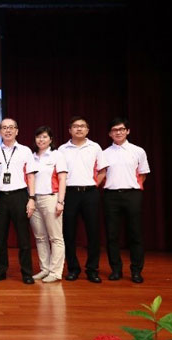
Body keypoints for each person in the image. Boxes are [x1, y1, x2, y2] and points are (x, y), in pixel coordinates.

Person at [58, 116, 109, 283]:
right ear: (70, 130)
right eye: (75, 126)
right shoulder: (62, 149)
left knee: (93, 233)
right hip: (70, 193)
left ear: (87, 130)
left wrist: (93, 185)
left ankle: (92, 269)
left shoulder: (95, 147)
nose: (79, 129)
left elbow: (102, 171)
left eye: (82, 126)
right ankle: (73, 268)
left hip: (90, 193)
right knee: (68, 233)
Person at [0, 118, 38, 284]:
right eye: (4, 128)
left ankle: (26, 272)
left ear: (17, 131)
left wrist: (31, 198)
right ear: (0, 132)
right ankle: (0, 271)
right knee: (0, 237)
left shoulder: (25, 151)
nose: (8, 131)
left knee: (23, 238)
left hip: (20, 196)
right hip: (1, 197)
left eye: (11, 128)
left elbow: (31, 176)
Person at [103, 117, 150, 283]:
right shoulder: (104, 153)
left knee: (135, 234)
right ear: (110, 133)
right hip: (111, 195)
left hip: (132, 195)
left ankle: (136, 271)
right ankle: (116, 270)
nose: (118, 132)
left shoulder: (138, 151)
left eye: (121, 129)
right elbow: (100, 175)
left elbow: (143, 173)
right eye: (115, 130)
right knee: (112, 235)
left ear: (127, 131)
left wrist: (133, 187)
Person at [29, 126, 67, 283]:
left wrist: (60, 201)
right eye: (38, 137)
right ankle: (44, 269)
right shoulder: (32, 156)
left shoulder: (57, 155)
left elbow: (63, 179)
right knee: (40, 237)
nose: (41, 140)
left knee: (55, 237)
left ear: (51, 139)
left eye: (45, 137)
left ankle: (55, 271)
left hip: (51, 198)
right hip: (34, 199)